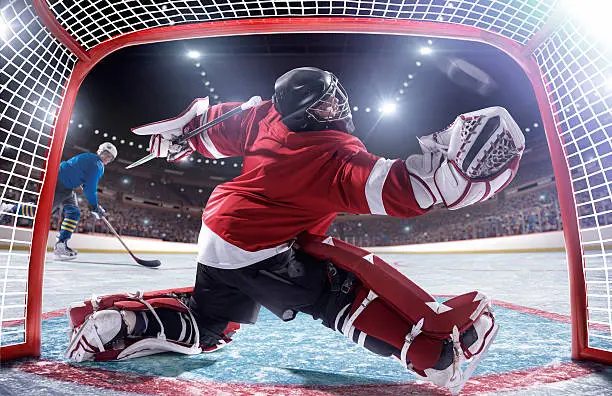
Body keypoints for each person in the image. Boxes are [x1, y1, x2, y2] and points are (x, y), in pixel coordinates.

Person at [65, 67, 524, 393]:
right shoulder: (333, 157)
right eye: (324, 104)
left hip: (218, 236)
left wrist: (187, 138)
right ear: (306, 115)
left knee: (209, 326)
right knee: (337, 292)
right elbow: (406, 191)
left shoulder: (267, 114)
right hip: (261, 248)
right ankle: (436, 358)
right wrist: (460, 174)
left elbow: (216, 129)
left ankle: (129, 322)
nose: (336, 105)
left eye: (334, 95)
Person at [0, 142, 117, 260]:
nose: (106, 157)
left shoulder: (88, 157)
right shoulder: (97, 165)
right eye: (105, 154)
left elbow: (77, 173)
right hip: (60, 184)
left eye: (109, 157)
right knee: (41, 212)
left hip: (63, 184)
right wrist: (94, 206)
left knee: (74, 212)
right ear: (99, 151)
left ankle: (61, 244)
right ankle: (9, 208)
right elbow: (90, 189)